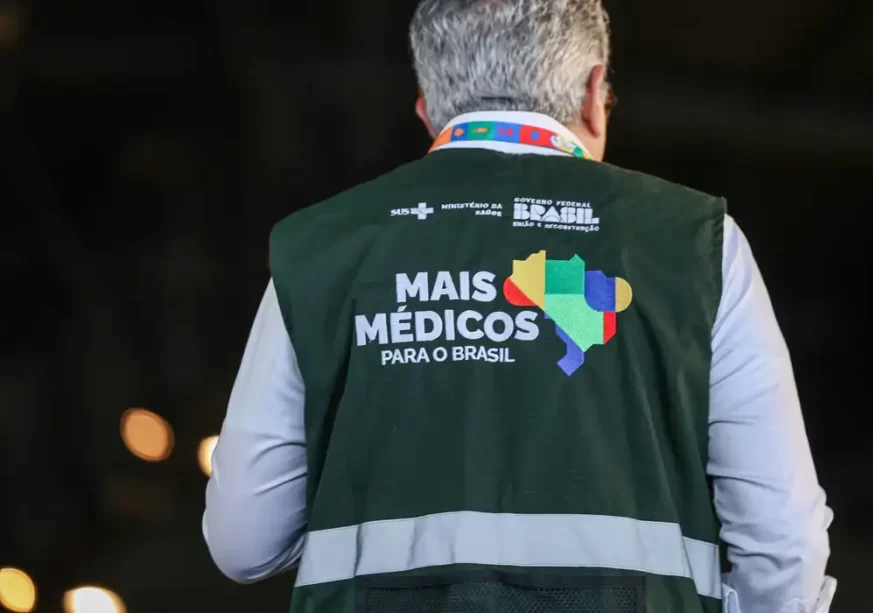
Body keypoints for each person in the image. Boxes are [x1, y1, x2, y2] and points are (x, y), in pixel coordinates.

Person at [202, 1, 836, 612]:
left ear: (426, 109)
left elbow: (243, 543)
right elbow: (784, 542)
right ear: (594, 94)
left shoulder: (320, 248)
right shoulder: (696, 243)